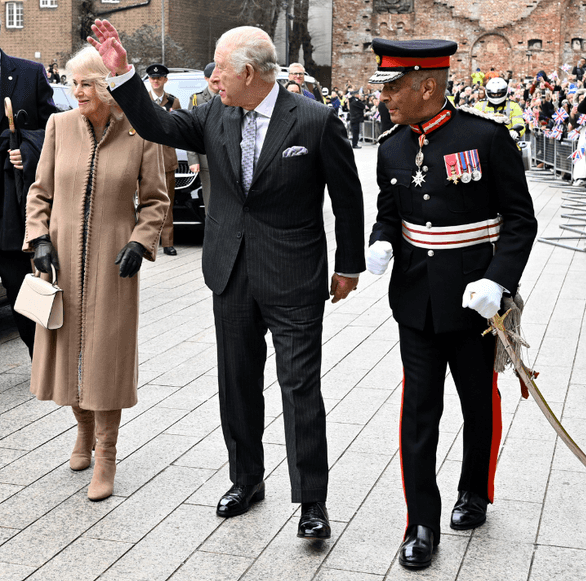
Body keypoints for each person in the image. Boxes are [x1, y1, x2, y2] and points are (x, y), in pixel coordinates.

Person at [89, 20, 365, 537]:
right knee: (236, 385)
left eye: (218, 68)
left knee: (299, 389)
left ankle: (312, 503)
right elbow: (156, 127)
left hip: (293, 276)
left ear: (247, 72)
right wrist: (122, 72)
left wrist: (348, 266)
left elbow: (348, 200)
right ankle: (247, 479)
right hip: (230, 271)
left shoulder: (314, 120)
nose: (212, 78)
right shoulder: (215, 112)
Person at [364, 38, 537, 570]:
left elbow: (520, 219)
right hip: (416, 298)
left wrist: (498, 280)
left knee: (476, 401)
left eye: (393, 88)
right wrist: (382, 239)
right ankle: (420, 522)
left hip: (473, 299)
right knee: (419, 409)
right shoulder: (391, 146)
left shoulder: (485, 138)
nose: (385, 99)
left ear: (428, 86)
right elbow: (390, 211)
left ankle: (474, 491)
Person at [23, 46, 170, 501]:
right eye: (72, 83)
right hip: (61, 262)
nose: (77, 92)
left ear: (106, 85)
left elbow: (156, 201)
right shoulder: (59, 126)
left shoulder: (139, 131)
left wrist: (140, 240)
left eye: (86, 83)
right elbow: (40, 192)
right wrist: (40, 238)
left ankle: (106, 453)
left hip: (113, 264)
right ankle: (83, 430)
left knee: (107, 356)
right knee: (66, 355)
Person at [1, 48, 59, 357]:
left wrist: (27, 148)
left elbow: (54, 131)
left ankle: (43, 360)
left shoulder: (29, 72)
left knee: (21, 292)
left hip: (13, 204)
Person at [145, 63, 180, 256]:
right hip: (146, 158)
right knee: (144, 201)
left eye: (159, 78)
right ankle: (146, 241)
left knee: (167, 201)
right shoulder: (143, 100)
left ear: (165, 80)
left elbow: (178, 129)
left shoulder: (173, 103)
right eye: (152, 78)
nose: (155, 81)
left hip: (166, 158)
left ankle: (167, 242)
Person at [187, 62, 218, 213]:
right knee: (210, 203)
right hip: (206, 159)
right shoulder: (197, 100)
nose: (216, 81)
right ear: (206, 79)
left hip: (229, 159)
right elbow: (191, 130)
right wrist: (193, 159)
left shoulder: (231, 97)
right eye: (213, 79)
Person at [475, 77, 526, 141]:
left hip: (507, 140)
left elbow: (519, 122)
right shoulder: (479, 105)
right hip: (485, 140)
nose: (496, 95)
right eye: (493, 94)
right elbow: (473, 123)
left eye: (499, 93)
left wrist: (515, 132)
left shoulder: (513, 105)